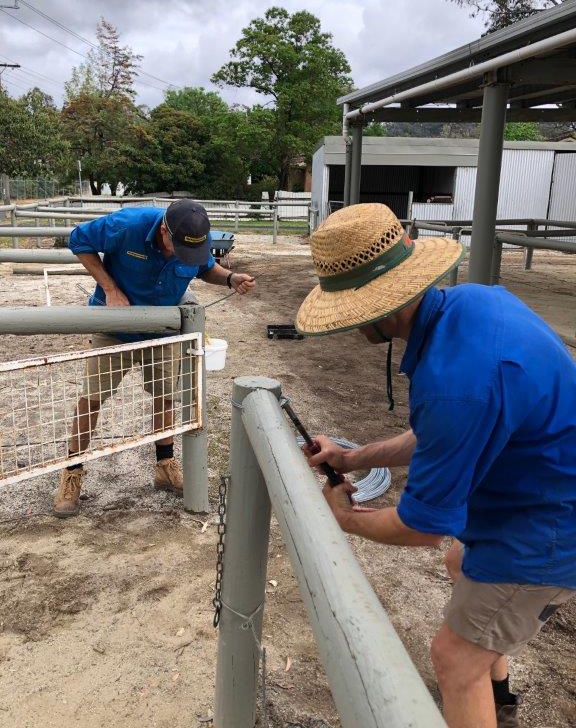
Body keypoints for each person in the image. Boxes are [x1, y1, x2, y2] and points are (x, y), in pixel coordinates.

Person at [295, 202, 576, 728]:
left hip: (552, 528)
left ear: (378, 310)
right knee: (458, 563)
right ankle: (499, 698)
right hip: (540, 487)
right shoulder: (475, 303)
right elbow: (438, 436)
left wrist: (343, 518)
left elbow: (420, 528)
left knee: (453, 660)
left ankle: (479, 690)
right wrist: (351, 458)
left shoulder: (454, 386)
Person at [53, 199, 255, 518]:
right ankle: (72, 471)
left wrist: (230, 278)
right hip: (115, 326)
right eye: (178, 249)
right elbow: (79, 239)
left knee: (165, 396)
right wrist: (109, 288)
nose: (182, 257)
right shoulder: (127, 225)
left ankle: (164, 465)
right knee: (92, 397)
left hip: (162, 327)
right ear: (163, 231)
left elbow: (205, 268)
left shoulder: (193, 240)